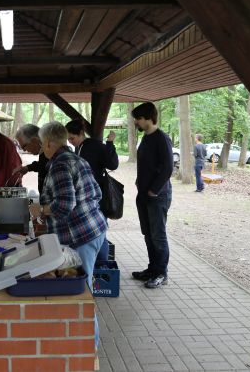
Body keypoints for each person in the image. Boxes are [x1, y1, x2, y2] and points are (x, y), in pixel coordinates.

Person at [28, 121, 106, 348]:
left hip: (80, 236)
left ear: (51, 143)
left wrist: (40, 210)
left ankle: (89, 348)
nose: (43, 148)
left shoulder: (61, 164)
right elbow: (97, 193)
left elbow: (65, 205)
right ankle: (84, 344)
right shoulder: (76, 159)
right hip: (93, 229)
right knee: (82, 289)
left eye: (43, 144)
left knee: (81, 293)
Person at [131, 102, 174, 289]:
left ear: (148, 117)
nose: (136, 123)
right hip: (143, 194)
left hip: (158, 196)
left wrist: (153, 190)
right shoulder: (146, 138)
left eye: (138, 119)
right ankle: (152, 269)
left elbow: (168, 168)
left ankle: (161, 274)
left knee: (158, 236)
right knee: (148, 234)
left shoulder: (161, 138)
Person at [65, 119, 119, 262]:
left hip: (98, 196)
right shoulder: (79, 147)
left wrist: (110, 144)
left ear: (81, 133)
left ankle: (102, 263)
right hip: (86, 196)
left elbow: (113, 164)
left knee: (98, 232)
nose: (70, 141)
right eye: (68, 139)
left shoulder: (94, 146)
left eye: (72, 138)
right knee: (92, 231)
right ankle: (96, 261)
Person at [13, 124, 48, 194]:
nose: (24, 150)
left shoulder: (51, 154)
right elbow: (43, 165)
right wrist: (28, 168)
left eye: (24, 146)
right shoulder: (45, 152)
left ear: (34, 141)